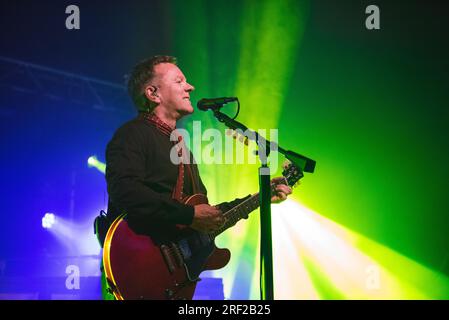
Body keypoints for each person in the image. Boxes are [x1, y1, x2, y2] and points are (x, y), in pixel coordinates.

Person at [98, 55, 292, 299]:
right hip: (139, 270)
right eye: (179, 81)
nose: (190, 87)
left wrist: (262, 196)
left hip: (176, 281)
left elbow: (205, 215)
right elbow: (124, 191)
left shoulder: (181, 147)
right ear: (153, 93)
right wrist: (188, 215)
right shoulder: (132, 135)